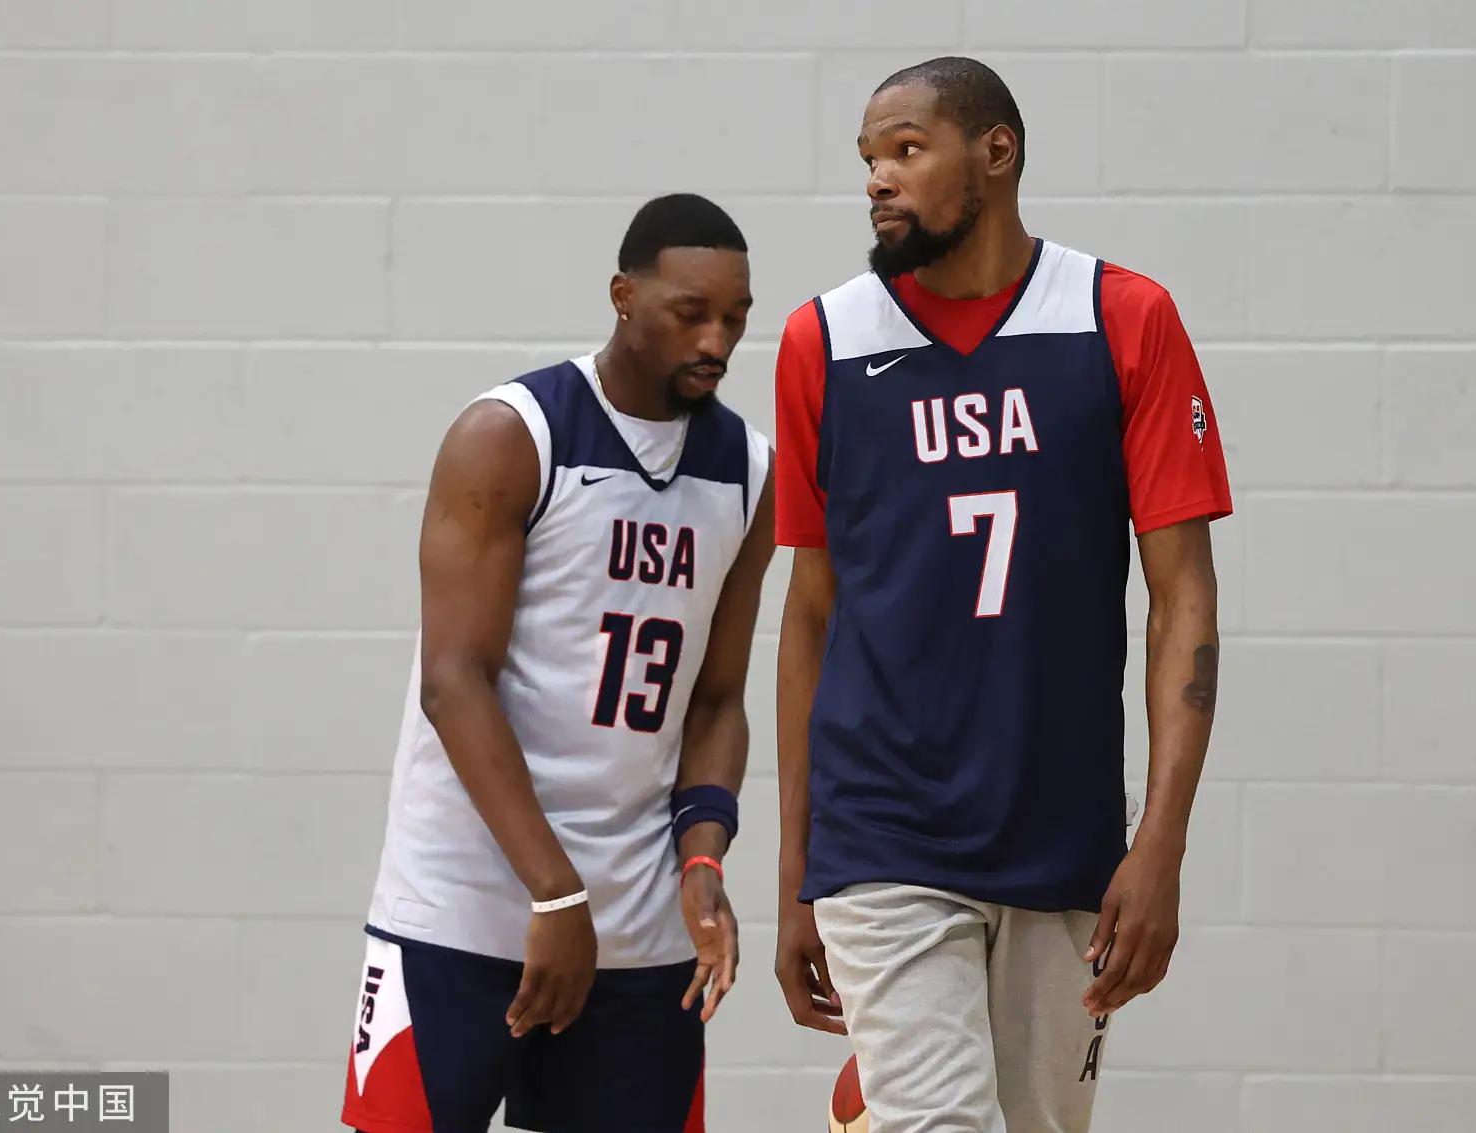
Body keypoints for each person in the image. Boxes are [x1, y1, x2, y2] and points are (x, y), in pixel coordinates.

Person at [772, 58, 1233, 1133]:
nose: (878, 178)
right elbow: (809, 614)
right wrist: (797, 867)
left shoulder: (1120, 317)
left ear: (995, 152)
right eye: (868, 159)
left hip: (1062, 830)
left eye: (906, 148)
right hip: (883, 829)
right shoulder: (822, 341)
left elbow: (1183, 599)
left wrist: (1160, 843)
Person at [343, 193, 774, 1133]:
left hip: (639, 921)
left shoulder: (747, 468)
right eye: (690, 313)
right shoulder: (511, 434)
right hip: (466, 901)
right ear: (624, 296)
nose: (717, 341)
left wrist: (703, 854)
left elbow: (717, 700)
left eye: (736, 318)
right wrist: (557, 889)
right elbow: (454, 681)